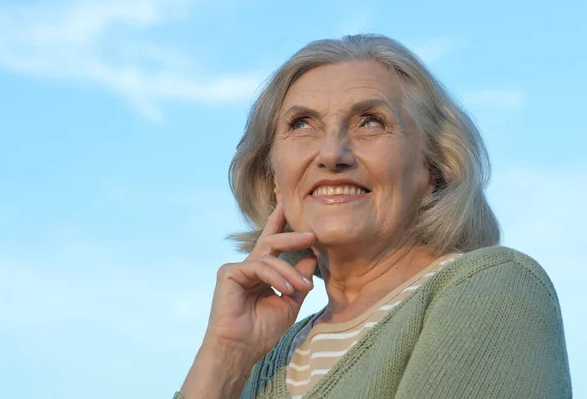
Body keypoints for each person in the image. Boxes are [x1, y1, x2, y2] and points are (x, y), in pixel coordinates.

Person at [174, 34, 572, 398]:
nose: (331, 154)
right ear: (274, 178)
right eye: (302, 124)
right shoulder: (260, 360)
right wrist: (225, 357)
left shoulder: (494, 289)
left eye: (370, 122)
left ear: (433, 167)